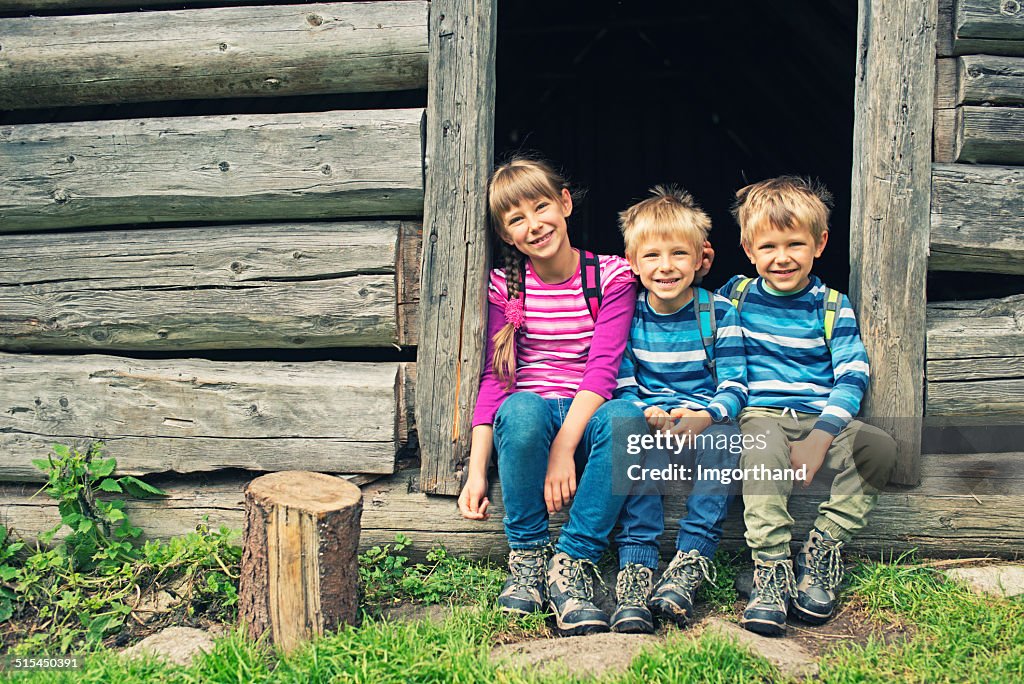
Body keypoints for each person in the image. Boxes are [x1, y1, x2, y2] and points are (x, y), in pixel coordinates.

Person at [456, 156, 649, 636]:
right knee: (519, 405)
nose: (533, 225)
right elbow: (493, 380)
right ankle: (527, 558)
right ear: (505, 235)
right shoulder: (506, 286)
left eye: (540, 207)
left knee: (629, 418)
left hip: (588, 417)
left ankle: (572, 563)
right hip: (532, 422)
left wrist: (565, 446)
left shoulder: (611, 276)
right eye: (516, 219)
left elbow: (603, 371)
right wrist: (476, 471)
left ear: (564, 204)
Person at [718, 176, 897, 637]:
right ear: (748, 248)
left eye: (795, 244)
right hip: (760, 416)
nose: (782, 258)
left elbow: (853, 373)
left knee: (878, 447)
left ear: (820, 244)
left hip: (820, 420)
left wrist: (822, 436)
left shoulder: (831, 305)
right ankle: (771, 568)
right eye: (769, 246)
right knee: (761, 447)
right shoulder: (733, 296)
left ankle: (821, 553)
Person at [609, 186, 747, 634]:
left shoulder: (718, 312)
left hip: (701, 423)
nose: (665, 267)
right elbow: (623, 379)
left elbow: (735, 383)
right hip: (653, 422)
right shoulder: (628, 316)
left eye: (677, 255)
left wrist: (708, 414)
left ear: (700, 259)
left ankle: (690, 559)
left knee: (728, 440)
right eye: (651, 256)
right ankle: (636, 567)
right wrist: (646, 411)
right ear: (632, 262)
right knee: (634, 445)